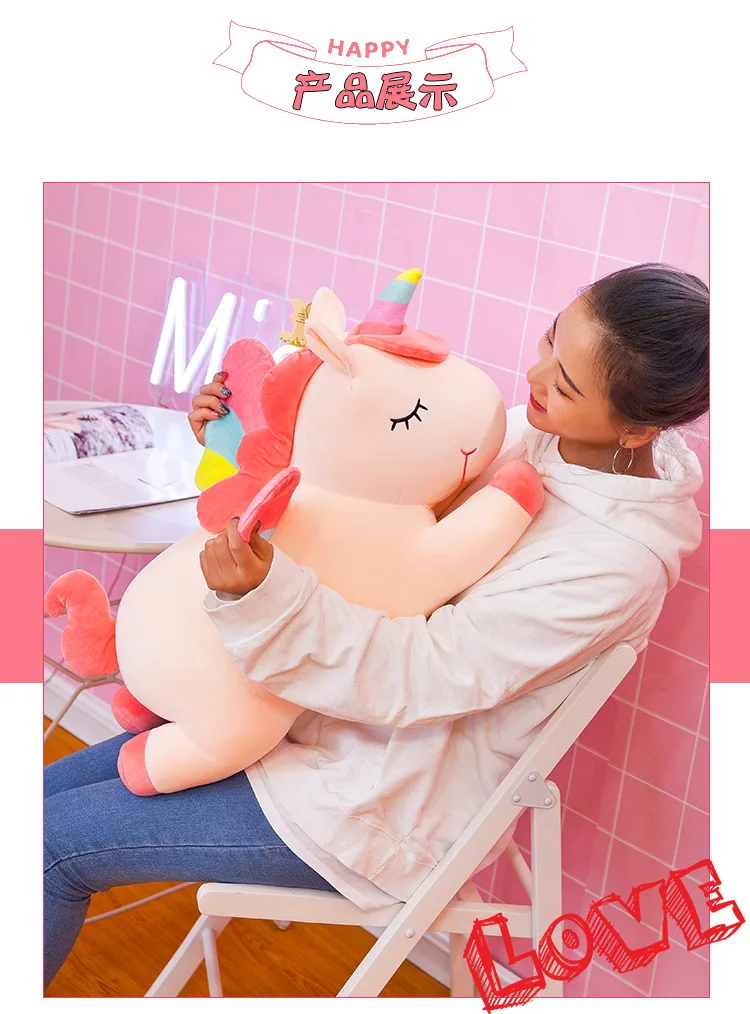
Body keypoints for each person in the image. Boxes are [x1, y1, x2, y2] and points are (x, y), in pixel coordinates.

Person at [44, 263, 708, 991]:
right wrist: (245, 435)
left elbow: (420, 672)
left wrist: (267, 597)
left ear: (638, 427)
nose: (533, 375)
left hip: (369, 803)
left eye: (567, 384)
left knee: (47, 848)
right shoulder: (536, 434)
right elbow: (371, 499)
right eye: (551, 340)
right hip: (286, 716)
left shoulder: (611, 564)